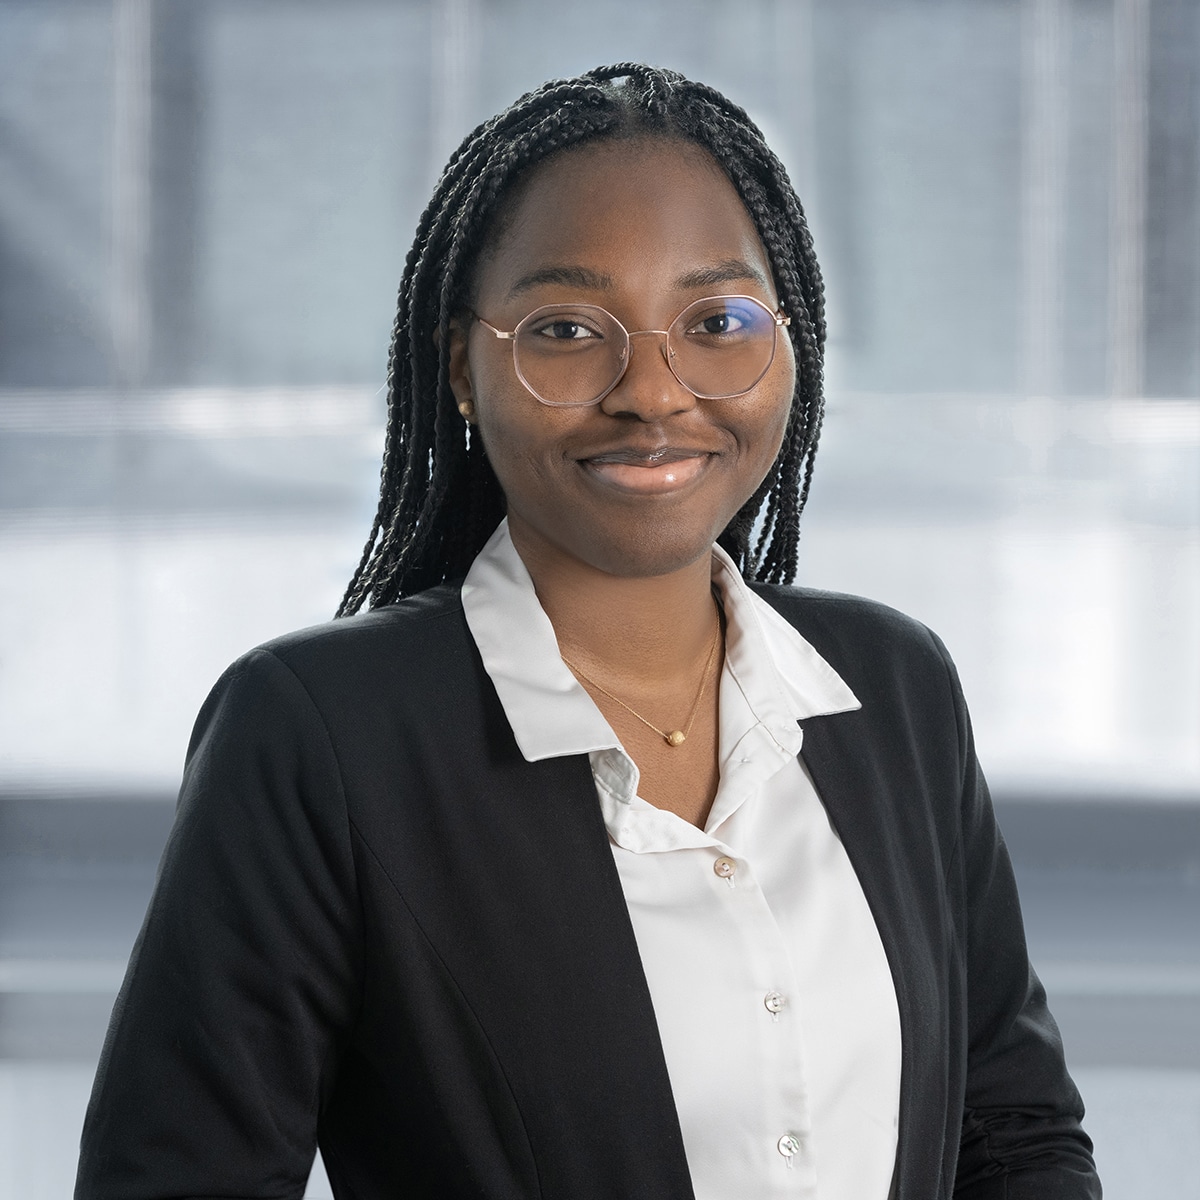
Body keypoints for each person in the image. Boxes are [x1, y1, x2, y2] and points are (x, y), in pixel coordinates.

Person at [76, 63, 1100, 1199]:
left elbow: (1014, 1134)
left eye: (716, 321)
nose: (652, 392)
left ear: (792, 343)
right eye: (566, 328)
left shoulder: (894, 688)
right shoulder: (320, 734)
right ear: (463, 367)